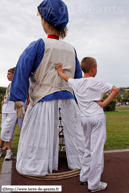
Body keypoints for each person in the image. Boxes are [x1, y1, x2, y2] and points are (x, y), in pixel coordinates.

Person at [9, 0, 85, 176]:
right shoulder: (71, 49)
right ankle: (78, 160)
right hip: (68, 101)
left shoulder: (38, 45)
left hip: (44, 99)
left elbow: (21, 70)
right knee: (73, 133)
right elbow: (79, 78)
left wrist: (19, 98)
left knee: (39, 134)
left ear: (44, 20)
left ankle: (37, 164)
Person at [56, 57, 119, 192]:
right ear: (93, 69)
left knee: (87, 148)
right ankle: (94, 185)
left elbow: (66, 77)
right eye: (96, 67)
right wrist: (103, 103)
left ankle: (84, 177)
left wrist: (59, 71)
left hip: (84, 119)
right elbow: (115, 90)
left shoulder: (77, 82)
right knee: (96, 151)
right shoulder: (97, 82)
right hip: (97, 118)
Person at [0, 67, 17, 160]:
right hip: (5, 109)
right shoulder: (10, 85)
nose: (7, 76)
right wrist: (4, 100)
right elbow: (8, 96)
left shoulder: (17, 84)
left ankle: (7, 150)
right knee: (6, 130)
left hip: (12, 110)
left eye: (9, 74)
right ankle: (7, 151)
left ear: (14, 75)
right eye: (7, 74)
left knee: (4, 131)